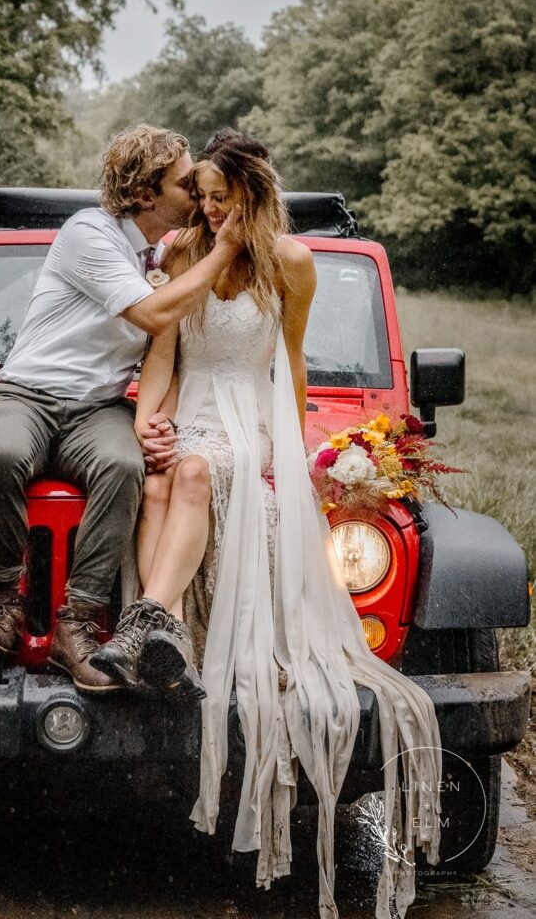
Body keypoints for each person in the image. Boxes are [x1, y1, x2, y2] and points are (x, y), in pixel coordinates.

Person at [91, 130, 443, 918]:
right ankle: (160, 634)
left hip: (250, 420)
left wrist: (285, 451)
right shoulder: (183, 251)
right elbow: (163, 356)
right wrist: (148, 421)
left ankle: (154, 621)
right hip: (191, 404)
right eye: (201, 196)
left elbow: (290, 359)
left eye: (221, 197)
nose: (207, 209)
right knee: (156, 478)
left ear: (253, 193)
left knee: (188, 472)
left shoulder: (293, 262)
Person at [0, 124, 245, 693]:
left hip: (99, 406)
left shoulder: (168, 251)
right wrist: (226, 250)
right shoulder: (89, 232)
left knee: (123, 466)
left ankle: (76, 625)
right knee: (2, 452)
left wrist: (154, 420)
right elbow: (155, 318)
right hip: (28, 392)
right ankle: (2, 605)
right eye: (187, 184)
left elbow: (174, 349)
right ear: (145, 193)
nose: (197, 194)